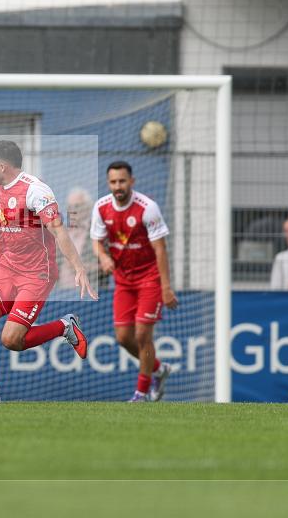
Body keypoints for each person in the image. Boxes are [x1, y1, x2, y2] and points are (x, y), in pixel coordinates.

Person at [0, 141, 98, 404]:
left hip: (36, 273)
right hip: (5, 267)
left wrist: (79, 267)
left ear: (2, 166)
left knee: (11, 340)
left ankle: (64, 326)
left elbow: (58, 229)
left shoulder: (36, 190)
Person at [91, 161, 176, 402]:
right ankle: (159, 369)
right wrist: (104, 257)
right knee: (122, 338)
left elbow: (161, 250)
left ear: (132, 182)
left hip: (149, 278)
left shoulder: (148, 208)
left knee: (142, 336)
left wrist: (166, 287)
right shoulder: (101, 207)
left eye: (122, 181)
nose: (118, 186)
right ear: (109, 183)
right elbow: (96, 241)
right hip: (123, 280)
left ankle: (141, 393)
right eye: (113, 182)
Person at [58, 187, 94, 288]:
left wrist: (78, 266)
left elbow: (106, 267)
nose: (73, 211)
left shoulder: (96, 232)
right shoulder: (61, 233)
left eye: (77, 206)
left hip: (89, 292)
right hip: (61, 293)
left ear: (88, 207)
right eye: (70, 207)